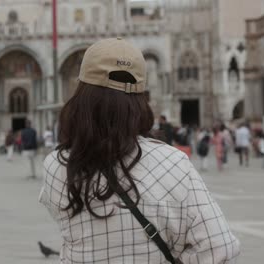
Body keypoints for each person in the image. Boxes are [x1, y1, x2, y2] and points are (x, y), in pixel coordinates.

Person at [39, 38, 239, 263]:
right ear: (140, 100)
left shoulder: (57, 166)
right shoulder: (173, 162)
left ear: (82, 95)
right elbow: (219, 245)